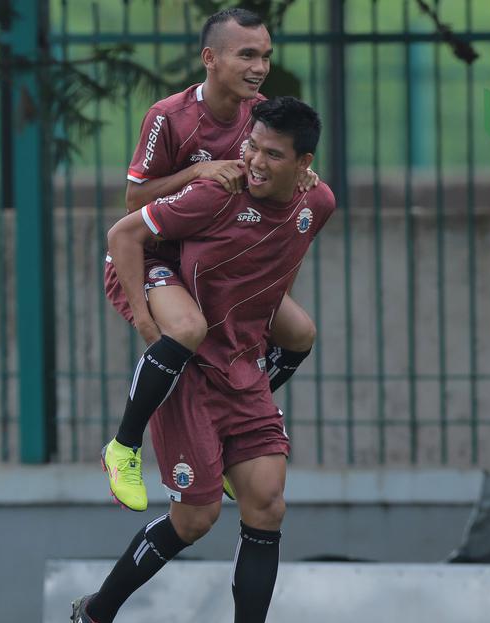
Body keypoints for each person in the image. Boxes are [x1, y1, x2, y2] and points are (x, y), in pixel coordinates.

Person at [72, 96, 335, 623]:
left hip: (242, 369)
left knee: (268, 502)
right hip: (189, 373)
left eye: (273, 154)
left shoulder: (317, 202)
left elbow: (281, 263)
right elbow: (126, 233)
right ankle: (97, 613)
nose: (256, 162)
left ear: (305, 162)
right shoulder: (216, 192)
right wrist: (146, 320)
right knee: (196, 518)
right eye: (253, 147)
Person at [101, 7, 320, 512]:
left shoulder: (261, 113)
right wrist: (200, 175)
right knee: (187, 329)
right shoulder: (168, 116)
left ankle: (228, 419)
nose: (259, 67)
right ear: (210, 59)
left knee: (299, 333)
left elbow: (284, 165)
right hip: (154, 257)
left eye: (265, 55)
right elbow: (134, 205)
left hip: (213, 265)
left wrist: (305, 177)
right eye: (246, 55)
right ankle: (124, 446)